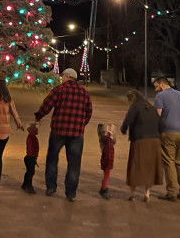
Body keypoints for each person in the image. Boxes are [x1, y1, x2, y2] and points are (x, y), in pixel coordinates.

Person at [34, 67, 93, 202]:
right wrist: (81, 124)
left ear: (66, 77)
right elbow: (89, 112)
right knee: (74, 163)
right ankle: (70, 193)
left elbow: (47, 105)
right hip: (76, 134)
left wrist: (38, 116)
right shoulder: (84, 93)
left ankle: (51, 187)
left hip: (58, 131)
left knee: (52, 159)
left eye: (62, 77)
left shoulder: (59, 89)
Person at [153, 76, 180, 201]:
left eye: (156, 86)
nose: (155, 90)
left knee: (169, 162)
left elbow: (158, 116)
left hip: (168, 133)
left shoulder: (160, 97)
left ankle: (172, 192)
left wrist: (156, 132)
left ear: (161, 84)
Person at [120, 90, 163, 202]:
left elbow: (127, 121)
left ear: (131, 99)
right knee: (150, 167)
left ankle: (132, 193)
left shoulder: (135, 107)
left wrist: (123, 130)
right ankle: (147, 194)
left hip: (140, 140)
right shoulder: (152, 108)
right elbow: (161, 125)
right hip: (155, 141)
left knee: (135, 166)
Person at [97, 123, 115, 200]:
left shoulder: (104, 139)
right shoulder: (106, 139)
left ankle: (104, 188)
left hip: (107, 160)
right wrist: (111, 130)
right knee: (106, 176)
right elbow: (113, 139)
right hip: (107, 161)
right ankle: (103, 189)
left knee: (106, 176)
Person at [21, 122, 40, 194]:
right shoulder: (32, 137)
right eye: (36, 129)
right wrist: (33, 157)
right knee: (30, 172)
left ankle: (25, 184)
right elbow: (32, 148)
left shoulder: (32, 137)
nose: (37, 130)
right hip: (30, 157)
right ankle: (28, 186)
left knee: (29, 172)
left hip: (30, 157)